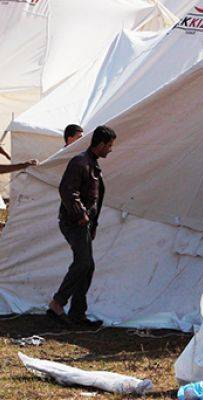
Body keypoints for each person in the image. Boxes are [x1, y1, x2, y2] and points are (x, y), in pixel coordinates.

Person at [47, 125, 116, 328]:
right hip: (74, 222)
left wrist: (92, 223)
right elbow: (67, 190)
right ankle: (57, 304)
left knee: (87, 265)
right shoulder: (80, 162)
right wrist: (81, 215)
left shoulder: (91, 163)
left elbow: (94, 199)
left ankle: (77, 313)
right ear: (101, 144)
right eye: (109, 145)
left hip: (83, 223)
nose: (110, 149)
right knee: (83, 263)